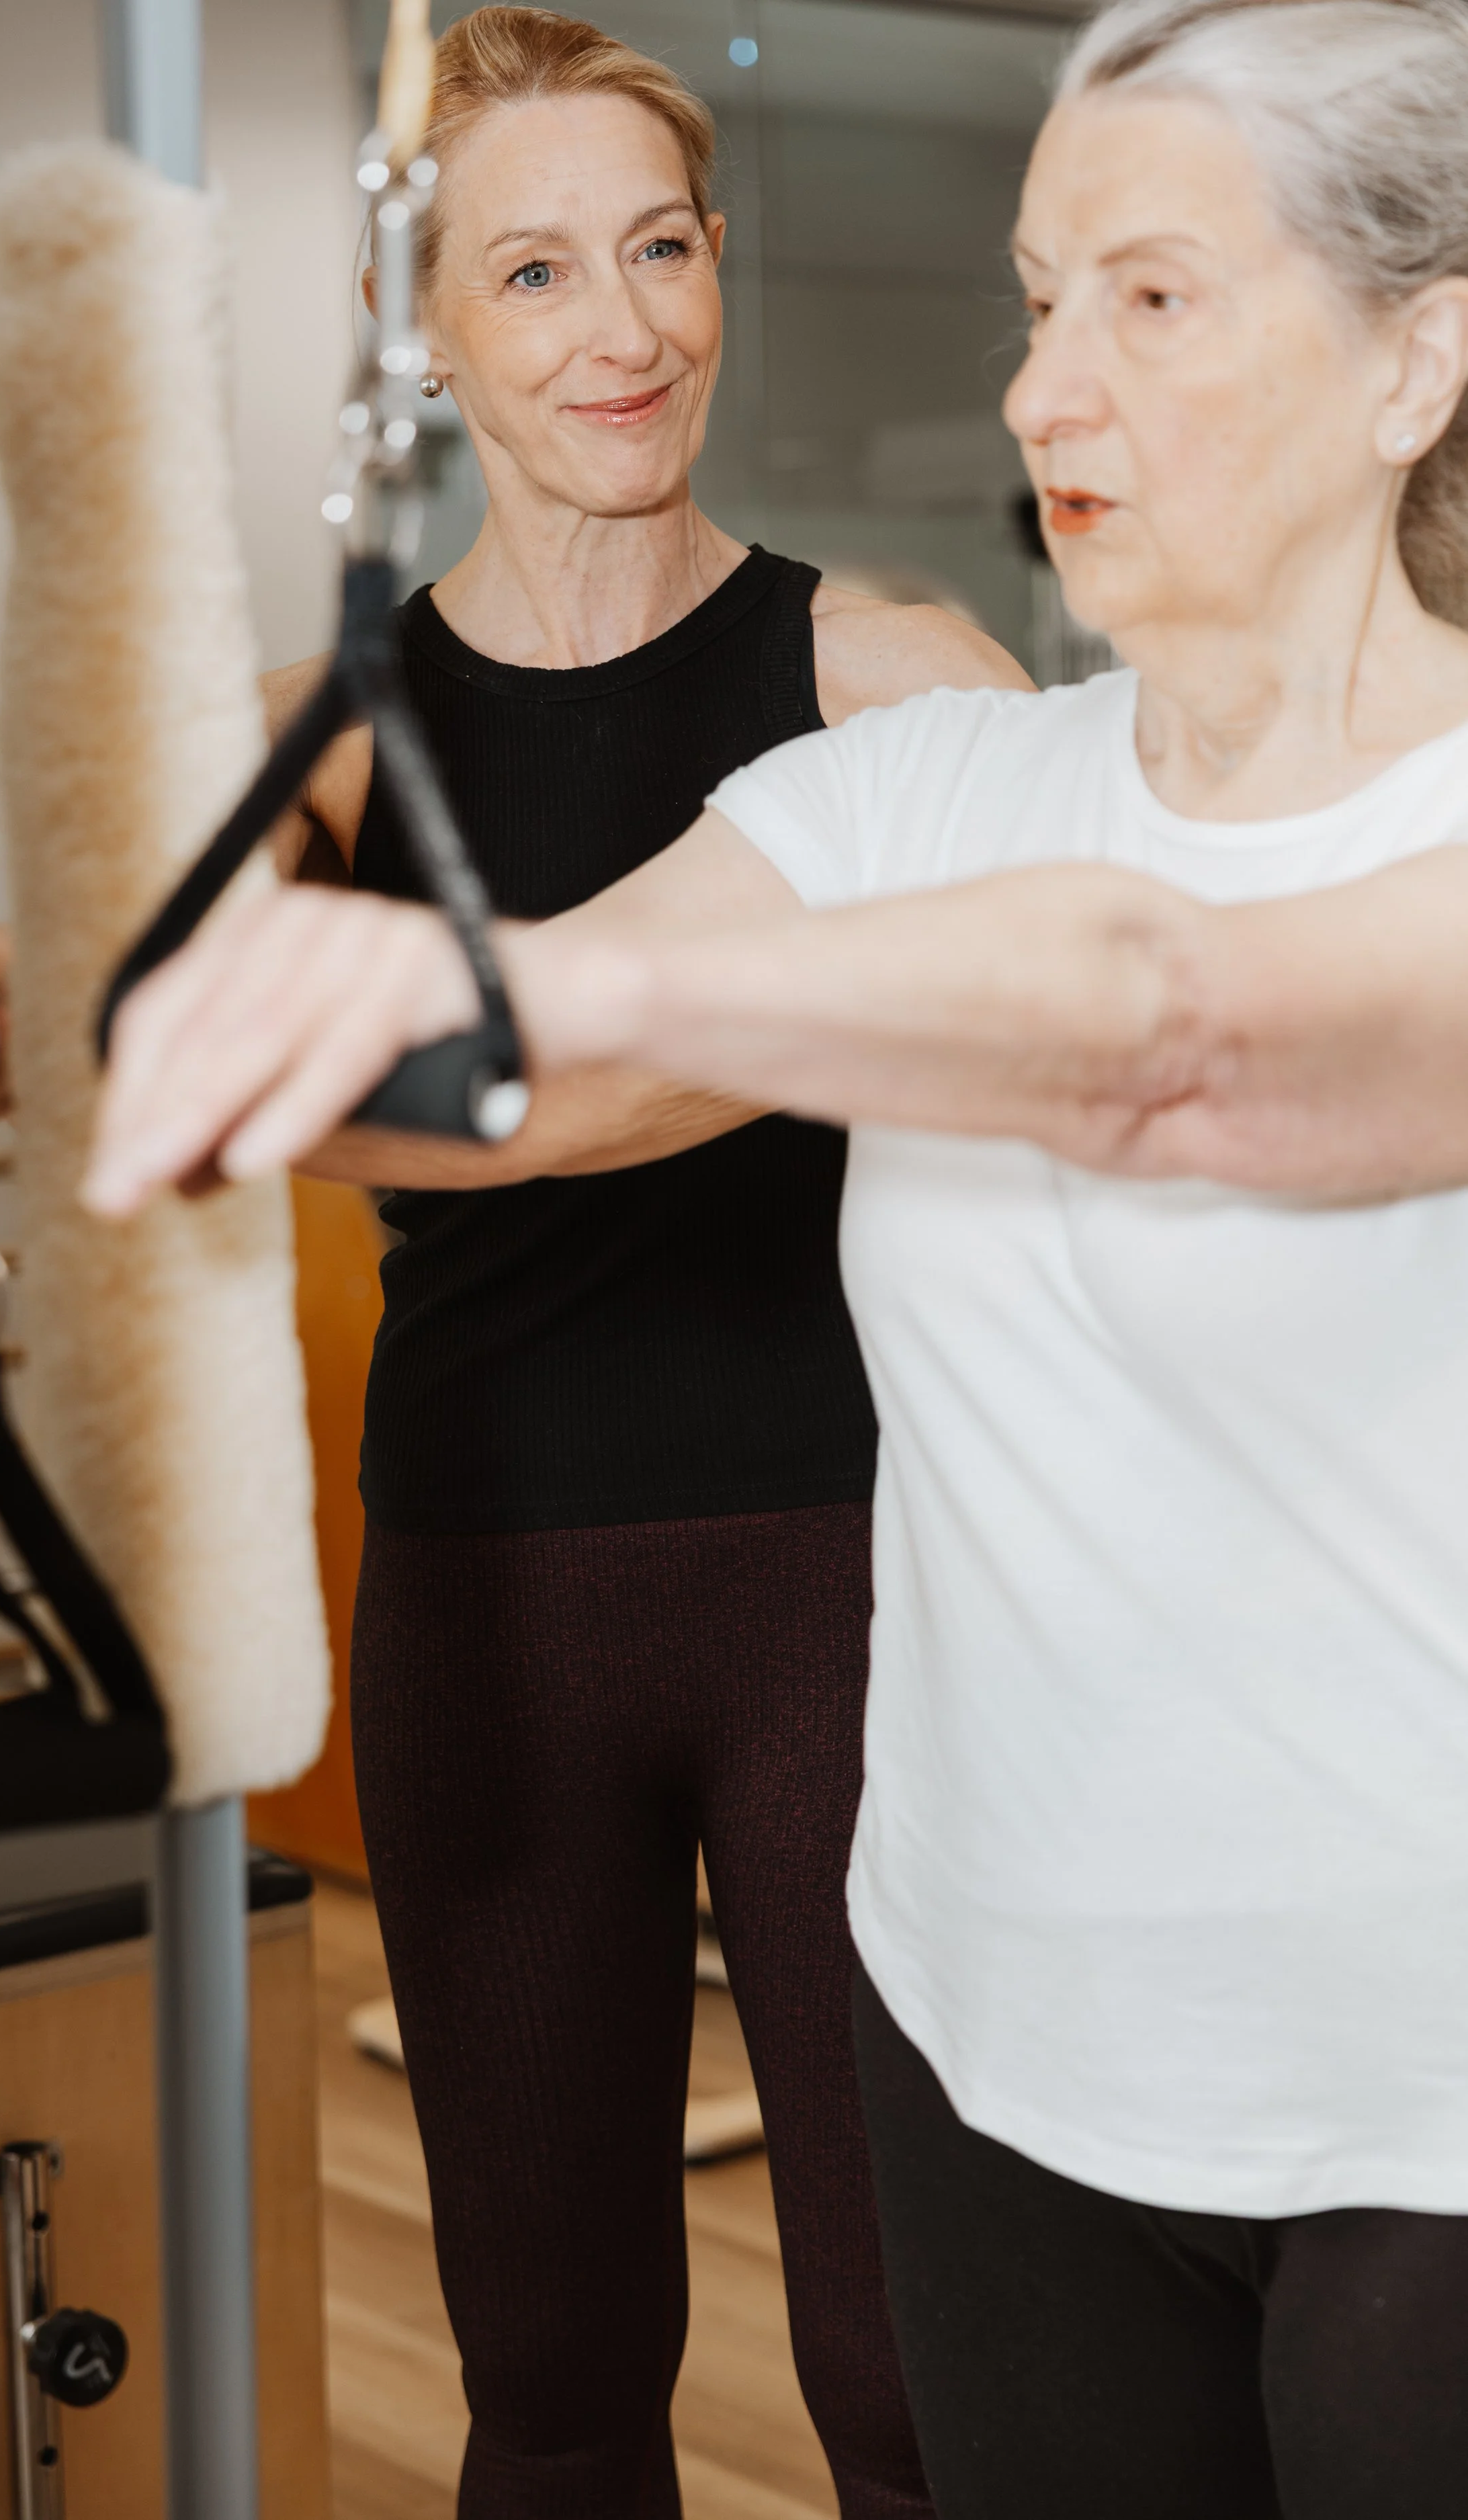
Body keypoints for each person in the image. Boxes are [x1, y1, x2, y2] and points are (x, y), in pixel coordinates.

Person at [89, 3, 1468, 2513]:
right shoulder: (908, 783)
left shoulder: (968, 727)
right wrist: (205, 1021)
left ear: (1418, 355)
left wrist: (509, 987)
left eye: (1142, 300)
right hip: (893, 1941)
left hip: (1314, 2011)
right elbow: (543, 1079)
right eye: (1036, 300)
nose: (1051, 384)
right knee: (592, 2374)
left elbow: (1171, 1024)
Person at [221, 13, 1027, 2517]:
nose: (624, 332)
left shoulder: (888, 676)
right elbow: (160, 1034)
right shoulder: (325, 747)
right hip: (489, 1602)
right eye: (539, 269)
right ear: (428, 328)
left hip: (847, 1587)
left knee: (916, 2374)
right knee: (552, 2385)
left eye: (663, 251)